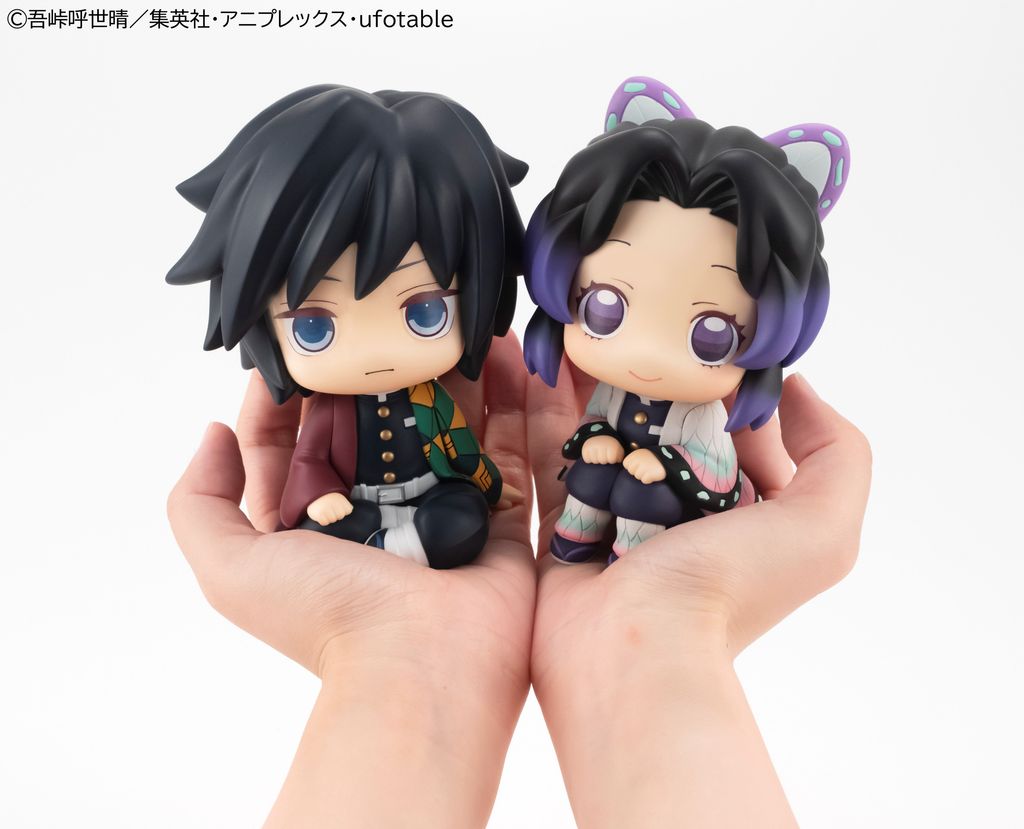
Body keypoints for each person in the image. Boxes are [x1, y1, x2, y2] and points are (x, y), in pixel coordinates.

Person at [167, 332, 870, 827]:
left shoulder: (435, 399)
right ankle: (543, 535)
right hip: (359, 506)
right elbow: (308, 460)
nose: (650, 352)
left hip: (659, 495)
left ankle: (584, 539)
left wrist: (482, 483)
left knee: (473, 519)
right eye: (316, 327)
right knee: (587, 478)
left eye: (421, 313)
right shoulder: (327, 408)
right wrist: (320, 496)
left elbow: (457, 447)